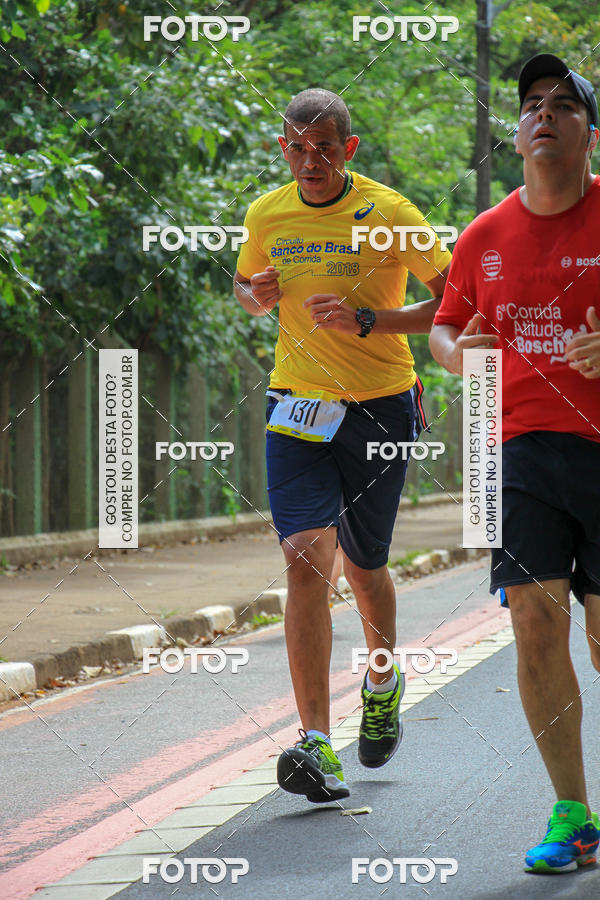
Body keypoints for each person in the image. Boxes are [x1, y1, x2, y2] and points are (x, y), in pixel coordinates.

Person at [234, 88, 451, 802]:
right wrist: (257, 297)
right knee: (305, 558)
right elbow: (245, 288)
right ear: (283, 149)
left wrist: (367, 321)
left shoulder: (390, 213)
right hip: (296, 405)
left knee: (364, 567)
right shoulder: (267, 214)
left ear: (348, 148)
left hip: (381, 408)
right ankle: (316, 742)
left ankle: (382, 680)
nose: (311, 161)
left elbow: (456, 303)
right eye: (298, 148)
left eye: (324, 147)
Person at [429, 53, 600, 874]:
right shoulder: (485, 235)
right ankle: (574, 815)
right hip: (520, 449)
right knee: (534, 621)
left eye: (563, 104)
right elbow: (445, 323)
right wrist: (456, 356)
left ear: (589, 131)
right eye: (532, 103)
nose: (544, 115)